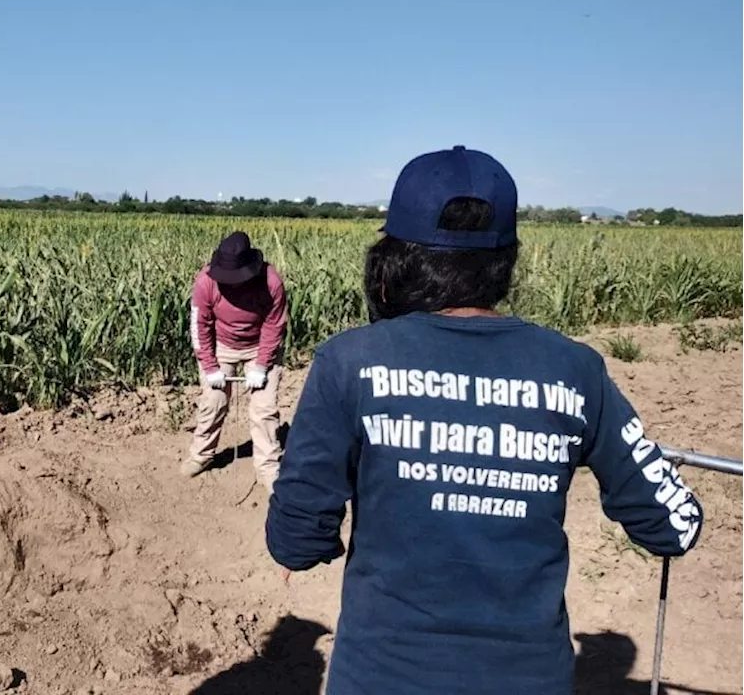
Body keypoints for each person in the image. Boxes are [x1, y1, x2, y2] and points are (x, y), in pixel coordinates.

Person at [265, 145, 704, 695]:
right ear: (507, 259)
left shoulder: (349, 363)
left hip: (382, 676)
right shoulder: (575, 370)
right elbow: (674, 526)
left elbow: (296, 540)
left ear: (395, 257)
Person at [183, 231, 288, 494]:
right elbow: (200, 326)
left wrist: (262, 364)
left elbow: (275, 325)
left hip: (260, 346)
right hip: (222, 347)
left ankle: (267, 466)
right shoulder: (205, 283)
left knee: (264, 409)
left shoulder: (271, 282)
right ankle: (201, 455)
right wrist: (210, 366)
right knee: (213, 401)